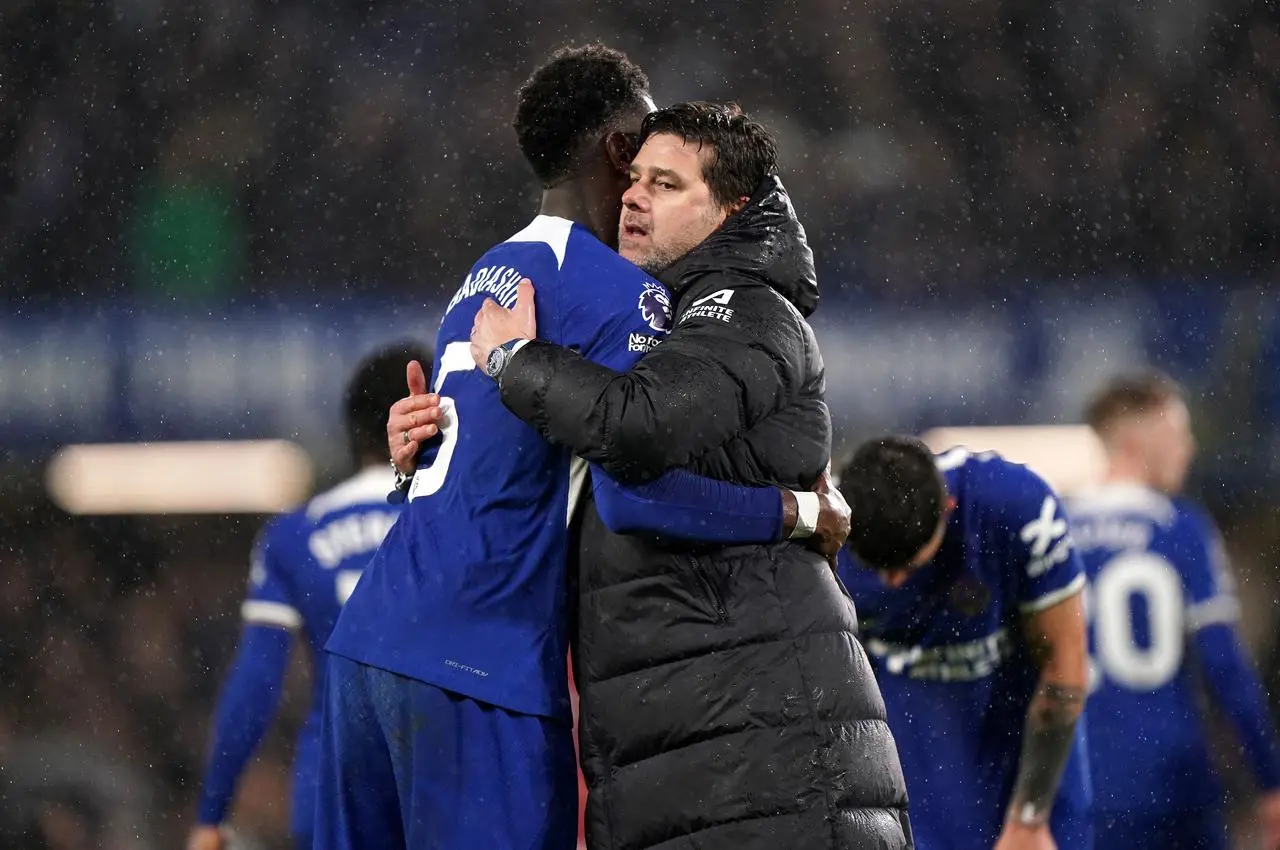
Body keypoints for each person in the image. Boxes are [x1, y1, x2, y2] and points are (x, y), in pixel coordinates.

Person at [322, 47, 851, 850]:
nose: (643, 180)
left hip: (367, 644)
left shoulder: (488, 272)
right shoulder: (623, 294)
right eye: (642, 156)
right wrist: (794, 509)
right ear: (616, 149)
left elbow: (461, 455)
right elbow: (635, 487)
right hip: (476, 662)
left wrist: (406, 463)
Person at [464, 102, 912, 849]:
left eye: (667, 184)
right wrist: (427, 435)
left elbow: (636, 436)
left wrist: (516, 362)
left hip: (770, 761)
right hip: (691, 756)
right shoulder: (649, 318)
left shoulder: (747, 311)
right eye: (633, 178)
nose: (635, 196)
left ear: (730, 208)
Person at [186, 341, 430, 850]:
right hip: (444, 779)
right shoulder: (462, 524)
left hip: (337, 784)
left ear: (352, 430)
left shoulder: (296, 535)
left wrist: (212, 813)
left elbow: (256, 683)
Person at [836, 436, 1092, 850]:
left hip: (1022, 775)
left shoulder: (1014, 509)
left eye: (907, 564)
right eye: (877, 566)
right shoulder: (828, 532)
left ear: (948, 509)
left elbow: (1064, 667)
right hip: (913, 784)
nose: (893, 582)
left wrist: (1029, 819)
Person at [1068, 373, 1280, 850]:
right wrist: (1270, 777)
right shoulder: (1179, 528)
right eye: (1177, 433)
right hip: (1173, 785)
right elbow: (1224, 665)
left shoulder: (1056, 528)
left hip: (1079, 783)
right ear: (1134, 441)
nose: (1188, 447)